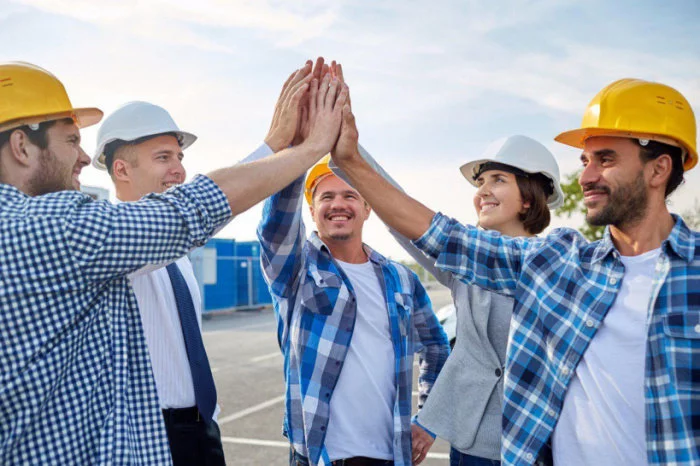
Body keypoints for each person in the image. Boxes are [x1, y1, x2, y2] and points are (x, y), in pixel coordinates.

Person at [330, 77, 699, 466]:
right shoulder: (561, 264)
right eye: (585, 162)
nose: (587, 177)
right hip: (481, 443)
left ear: (659, 169)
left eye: (605, 160)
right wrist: (350, 160)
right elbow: (432, 233)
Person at [0, 60, 347, 464]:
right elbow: (189, 211)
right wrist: (304, 149)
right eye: (70, 140)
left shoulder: (86, 242)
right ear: (22, 146)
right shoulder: (55, 232)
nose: (80, 156)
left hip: (196, 430)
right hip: (153, 435)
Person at [255, 56, 450, 466]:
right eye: (326, 197)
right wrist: (299, 148)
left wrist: (428, 419)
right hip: (320, 456)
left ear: (367, 209)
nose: (338, 205)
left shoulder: (401, 280)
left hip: (390, 455)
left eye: (349, 196)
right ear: (312, 210)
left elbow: (436, 349)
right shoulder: (297, 272)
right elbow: (275, 227)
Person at [343, 136, 562, 466]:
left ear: (529, 199)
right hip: (471, 447)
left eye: (498, 180)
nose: (482, 191)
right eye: (481, 182)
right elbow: (406, 223)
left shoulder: (556, 266)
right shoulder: (465, 266)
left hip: (533, 445)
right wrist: (349, 156)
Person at [92, 101, 242, 465]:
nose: (179, 170)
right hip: (149, 438)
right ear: (122, 169)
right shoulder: (106, 243)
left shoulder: (177, 253)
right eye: (163, 158)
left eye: (179, 156)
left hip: (202, 427)